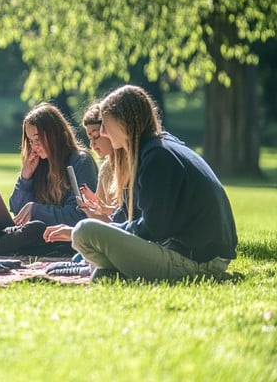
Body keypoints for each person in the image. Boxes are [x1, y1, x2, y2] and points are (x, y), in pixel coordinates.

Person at [43, 85, 237, 282]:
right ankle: (107, 271)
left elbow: (152, 229)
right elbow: (134, 215)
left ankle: (103, 268)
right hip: (195, 255)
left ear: (124, 123)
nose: (102, 131)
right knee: (95, 254)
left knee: (85, 231)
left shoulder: (157, 157)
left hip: (198, 262)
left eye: (106, 125)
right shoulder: (155, 149)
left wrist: (83, 232)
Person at [0, 102, 98, 258]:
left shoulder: (80, 161)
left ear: (54, 134)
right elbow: (18, 211)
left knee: (35, 228)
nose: (34, 146)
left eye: (38, 139)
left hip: (64, 237)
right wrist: (25, 177)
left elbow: (78, 216)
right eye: (31, 141)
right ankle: (10, 247)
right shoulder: (40, 164)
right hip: (35, 236)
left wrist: (36, 210)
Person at [79, 102, 118, 222]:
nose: (92, 144)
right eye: (90, 139)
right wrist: (91, 210)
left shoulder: (132, 164)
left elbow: (126, 215)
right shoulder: (105, 169)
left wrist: (104, 209)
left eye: (96, 136)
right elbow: (106, 219)